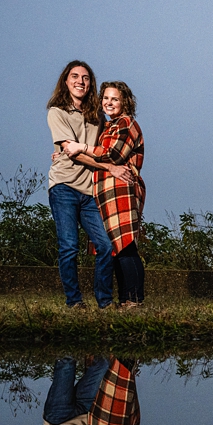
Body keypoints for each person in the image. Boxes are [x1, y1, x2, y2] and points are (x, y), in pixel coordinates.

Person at [62, 82, 146, 307]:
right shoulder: (109, 126)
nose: (109, 103)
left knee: (126, 246)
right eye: (105, 98)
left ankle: (135, 299)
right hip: (105, 193)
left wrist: (80, 148)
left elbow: (113, 154)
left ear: (124, 102)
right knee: (115, 249)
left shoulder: (126, 123)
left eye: (115, 99)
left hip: (121, 190)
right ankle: (124, 299)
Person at [46, 61, 115, 309]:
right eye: (74, 76)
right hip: (64, 186)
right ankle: (74, 302)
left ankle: (105, 302)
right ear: (66, 80)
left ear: (91, 84)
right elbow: (72, 152)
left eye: (85, 78)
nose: (80, 82)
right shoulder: (57, 111)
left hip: (89, 191)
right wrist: (108, 166)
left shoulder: (97, 115)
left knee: (106, 246)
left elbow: (108, 146)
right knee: (69, 246)